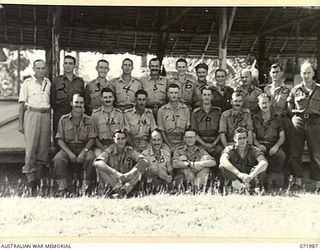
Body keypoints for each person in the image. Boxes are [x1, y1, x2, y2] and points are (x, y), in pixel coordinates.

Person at [18, 59, 51, 196]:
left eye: (43, 68)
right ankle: (31, 180)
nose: (40, 70)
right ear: (33, 69)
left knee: (43, 148)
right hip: (32, 114)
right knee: (31, 148)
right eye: (38, 68)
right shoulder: (27, 83)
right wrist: (21, 123)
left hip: (45, 116)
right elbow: (21, 104)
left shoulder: (48, 83)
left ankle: (38, 178)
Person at [53, 94, 95, 196]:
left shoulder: (89, 120)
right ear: (71, 103)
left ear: (84, 104)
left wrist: (83, 152)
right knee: (58, 159)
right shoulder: (64, 119)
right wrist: (69, 153)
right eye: (76, 102)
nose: (78, 105)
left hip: (83, 147)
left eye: (81, 103)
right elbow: (59, 139)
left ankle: (86, 187)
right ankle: (62, 187)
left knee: (91, 158)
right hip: (68, 148)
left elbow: (91, 139)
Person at [287, 61, 320, 191]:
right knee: (295, 152)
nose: (306, 75)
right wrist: (295, 114)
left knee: (316, 153)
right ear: (301, 74)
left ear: (313, 73)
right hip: (299, 121)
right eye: (304, 73)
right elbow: (289, 105)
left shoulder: (319, 89)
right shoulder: (295, 89)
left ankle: (317, 182)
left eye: (309, 73)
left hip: (315, 122)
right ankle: (298, 181)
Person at [93, 130, 149, 198]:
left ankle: (123, 192)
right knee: (99, 169)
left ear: (126, 140)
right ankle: (120, 192)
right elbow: (97, 162)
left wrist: (129, 174)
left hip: (127, 180)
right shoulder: (109, 151)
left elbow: (144, 161)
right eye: (118, 139)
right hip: (114, 181)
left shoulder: (130, 151)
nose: (121, 141)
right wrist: (115, 173)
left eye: (123, 138)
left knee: (142, 169)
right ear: (114, 140)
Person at [264, 63, 292, 186]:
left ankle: (285, 176)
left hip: (284, 121)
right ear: (270, 74)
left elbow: (290, 109)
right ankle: (271, 175)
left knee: (286, 149)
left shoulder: (288, 90)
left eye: (277, 72)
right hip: (270, 124)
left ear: (282, 73)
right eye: (273, 72)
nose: (275, 74)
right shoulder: (266, 89)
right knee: (271, 149)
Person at [252, 93, 286, 190]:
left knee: (281, 155)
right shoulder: (254, 118)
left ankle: (272, 179)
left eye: (266, 103)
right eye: (262, 103)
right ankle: (259, 181)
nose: (264, 105)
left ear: (270, 103)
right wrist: (257, 145)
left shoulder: (277, 118)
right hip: (259, 145)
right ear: (258, 104)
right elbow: (252, 135)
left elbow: (282, 137)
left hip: (273, 145)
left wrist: (276, 147)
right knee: (255, 156)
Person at [219, 127, 268, 193]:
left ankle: (246, 189)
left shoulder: (253, 149)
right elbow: (223, 160)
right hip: (236, 178)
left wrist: (250, 176)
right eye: (239, 138)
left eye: (244, 138)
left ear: (247, 138)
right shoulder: (230, 149)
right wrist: (239, 174)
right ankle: (243, 188)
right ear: (234, 139)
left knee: (261, 167)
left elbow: (264, 162)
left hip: (249, 178)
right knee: (222, 166)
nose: (242, 141)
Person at [51, 55, 85, 136]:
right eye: (66, 63)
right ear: (63, 65)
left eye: (70, 63)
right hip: (60, 113)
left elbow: (83, 98)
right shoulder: (56, 80)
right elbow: (52, 99)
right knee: (59, 135)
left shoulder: (80, 81)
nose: (68, 65)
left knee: (74, 136)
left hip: (75, 113)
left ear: (74, 66)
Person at [191, 86, 223, 160]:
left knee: (221, 152)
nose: (206, 97)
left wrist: (213, 144)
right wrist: (205, 145)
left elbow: (221, 132)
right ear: (201, 96)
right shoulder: (195, 113)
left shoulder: (218, 112)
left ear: (212, 97)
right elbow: (194, 133)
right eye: (205, 95)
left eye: (209, 95)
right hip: (201, 143)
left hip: (215, 143)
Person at [157, 83, 191, 152]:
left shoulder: (185, 109)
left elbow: (187, 129)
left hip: (182, 141)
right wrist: (170, 146)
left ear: (179, 94)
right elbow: (162, 131)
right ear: (168, 94)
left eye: (176, 93)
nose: (174, 95)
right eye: (171, 93)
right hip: (167, 141)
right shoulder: (161, 110)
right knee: (166, 154)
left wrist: (182, 144)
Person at [91, 87, 124, 157]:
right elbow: (93, 136)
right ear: (101, 99)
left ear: (113, 98)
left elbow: (122, 134)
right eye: (105, 97)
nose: (108, 99)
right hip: (100, 146)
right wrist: (103, 149)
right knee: (99, 160)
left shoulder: (119, 114)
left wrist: (114, 147)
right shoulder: (95, 115)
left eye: (110, 97)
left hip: (116, 145)